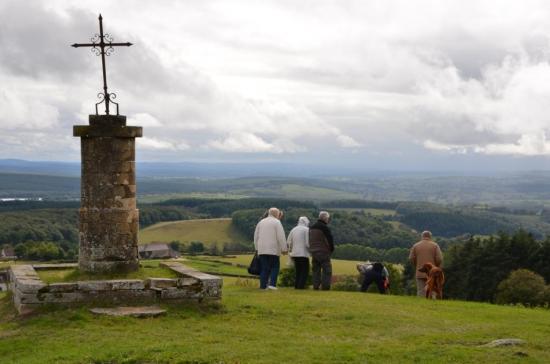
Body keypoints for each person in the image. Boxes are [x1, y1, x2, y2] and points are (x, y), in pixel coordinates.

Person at [254, 207, 288, 290]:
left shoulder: (261, 222)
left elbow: (256, 236)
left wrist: (257, 248)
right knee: (275, 267)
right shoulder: (277, 222)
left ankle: (262, 286)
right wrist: (284, 249)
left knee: (264, 268)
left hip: (262, 249)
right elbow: (281, 237)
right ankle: (272, 285)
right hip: (273, 249)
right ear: (276, 214)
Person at [409, 230, 443, 297]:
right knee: (433, 290)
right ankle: (432, 305)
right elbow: (439, 259)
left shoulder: (415, 246)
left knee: (421, 291)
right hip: (433, 273)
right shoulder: (435, 245)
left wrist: (417, 265)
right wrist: (435, 267)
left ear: (422, 236)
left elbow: (411, 258)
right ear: (430, 237)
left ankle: (420, 306)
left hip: (420, 272)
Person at [309, 211, 334, 290]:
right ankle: (325, 287)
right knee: (327, 270)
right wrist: (331, 249)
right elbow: (329, 240)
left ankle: (315, 286)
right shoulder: (325, 227)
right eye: (328, 218)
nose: (328, 220)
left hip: (313, 251)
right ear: (325, 218)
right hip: (323, 251)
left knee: (316, 270)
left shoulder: (312, 227)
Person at [287, 216, 310, 289]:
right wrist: (311, 250)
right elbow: (307, 243)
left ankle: (296, 285)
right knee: (304, 271)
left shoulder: (294, 229)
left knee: (298, 270)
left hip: (295, 253)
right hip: (303, 253)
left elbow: (288, 241)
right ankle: (301, 286)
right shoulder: (306, 229)